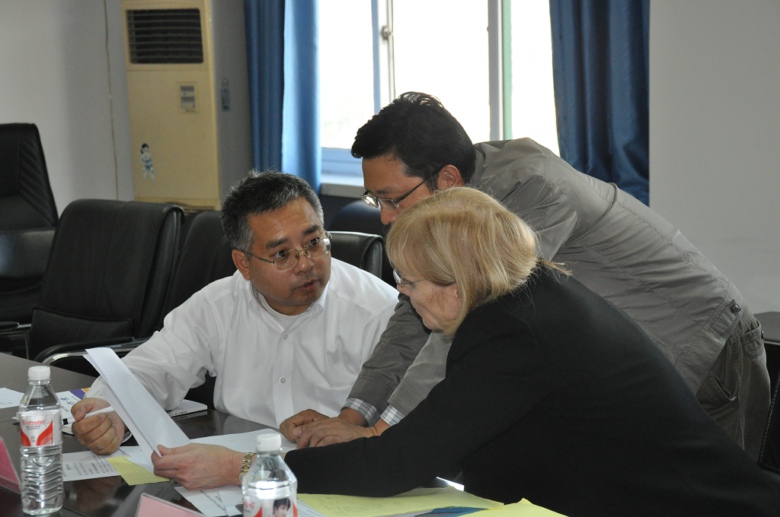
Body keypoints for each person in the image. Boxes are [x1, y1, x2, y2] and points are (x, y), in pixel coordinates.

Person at [282, 92, 770, 459]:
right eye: (376, 201)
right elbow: (414, 313)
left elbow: (473, 318)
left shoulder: (531, 193)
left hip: (707, 348)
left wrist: (381, 434)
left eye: (393, 199)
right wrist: (353, 417)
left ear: (447, 179)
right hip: (642, 366)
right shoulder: (455, 200)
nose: (386, 217)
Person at [283, 187, 780, 516]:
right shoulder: (525, 296)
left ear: (458, 283)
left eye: (409, 281)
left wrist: (263, 470)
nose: (403, 294)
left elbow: (398, 464)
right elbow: (461, 445)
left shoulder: (515, 334)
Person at [70, 171, 398, 488]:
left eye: (314, 242)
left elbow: (402, 434)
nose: (305, 263)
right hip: (224, 485)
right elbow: (152, 367)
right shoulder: (219, 303)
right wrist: (110, 411)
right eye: (282, 254)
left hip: (335, 481)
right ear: (244, 264)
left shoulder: (380, 312)